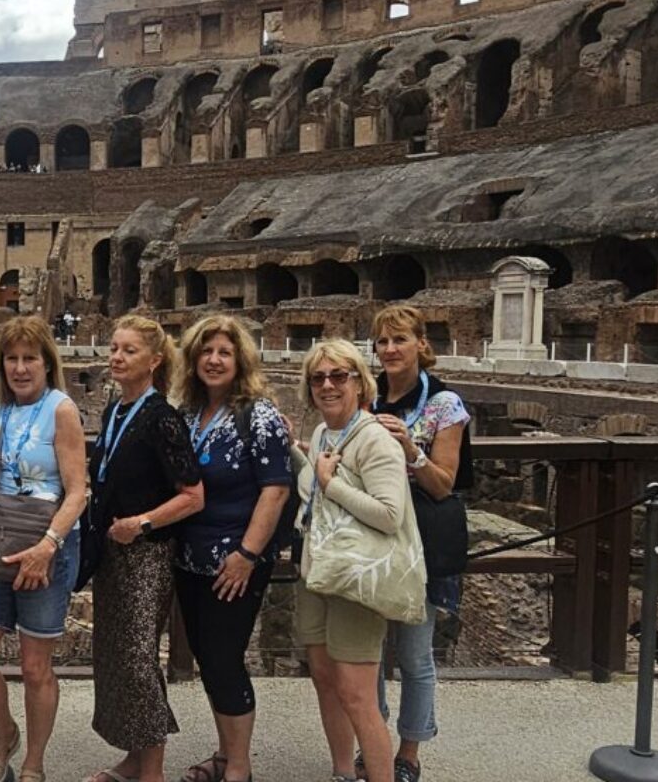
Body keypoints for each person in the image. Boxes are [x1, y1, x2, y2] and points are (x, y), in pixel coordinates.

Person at [0, 316, 89, 782]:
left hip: (45, 548)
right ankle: (5, 730)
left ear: (47, 363)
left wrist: (46, 547)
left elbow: (77, 491)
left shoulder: (61, 410)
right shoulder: (2, 410)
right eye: (11, 358)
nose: (19, 367)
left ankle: (34, 762)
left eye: (29, 358)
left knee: (35, 668)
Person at [82, 315, 205, 782]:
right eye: (114, 348)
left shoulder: (162, 419)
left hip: (147, 555)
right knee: (116, 656)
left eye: (129, 350)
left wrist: (142, 523)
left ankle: (152, 770)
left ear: (154, 361)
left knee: (137, 661)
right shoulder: (115, 410)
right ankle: (134, 760)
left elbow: (193, 495)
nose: (117, 357)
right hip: (113, 553)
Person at [291, 339, 418, 782]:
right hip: (319, 570)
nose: (327, 385)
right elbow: (315, 484)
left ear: (359, 382)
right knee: (325, 680)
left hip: (356, 577)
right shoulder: (324, 434)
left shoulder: (375, 439)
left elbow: (389, 514)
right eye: (318, 378)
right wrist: (296, 450)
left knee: (357, 694)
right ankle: (343, 773)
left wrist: (332, 484)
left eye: (338, 376)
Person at [169, 315, 290, 782]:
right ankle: (224, 754)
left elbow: (275, 490)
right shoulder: (187, 413)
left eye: (224, 352)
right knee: (208, 658)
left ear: (240, 360)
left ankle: (239, 766)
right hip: (191, 559)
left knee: (224, 658)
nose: (214, 360)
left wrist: (247, 555)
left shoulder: (259, 415)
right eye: (206, 351)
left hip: (236, 561)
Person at [367, 305, 473, 782]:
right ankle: (374, 745)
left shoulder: (445, 404)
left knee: (413, 654)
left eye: (400, 339)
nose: (390, 349)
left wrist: (411, 450)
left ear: (421, 345)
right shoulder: (368, 397)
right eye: (383, 341)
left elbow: (444, 484)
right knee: (367, 655)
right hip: (372, 537)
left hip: (421, 542)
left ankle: (408, 753)